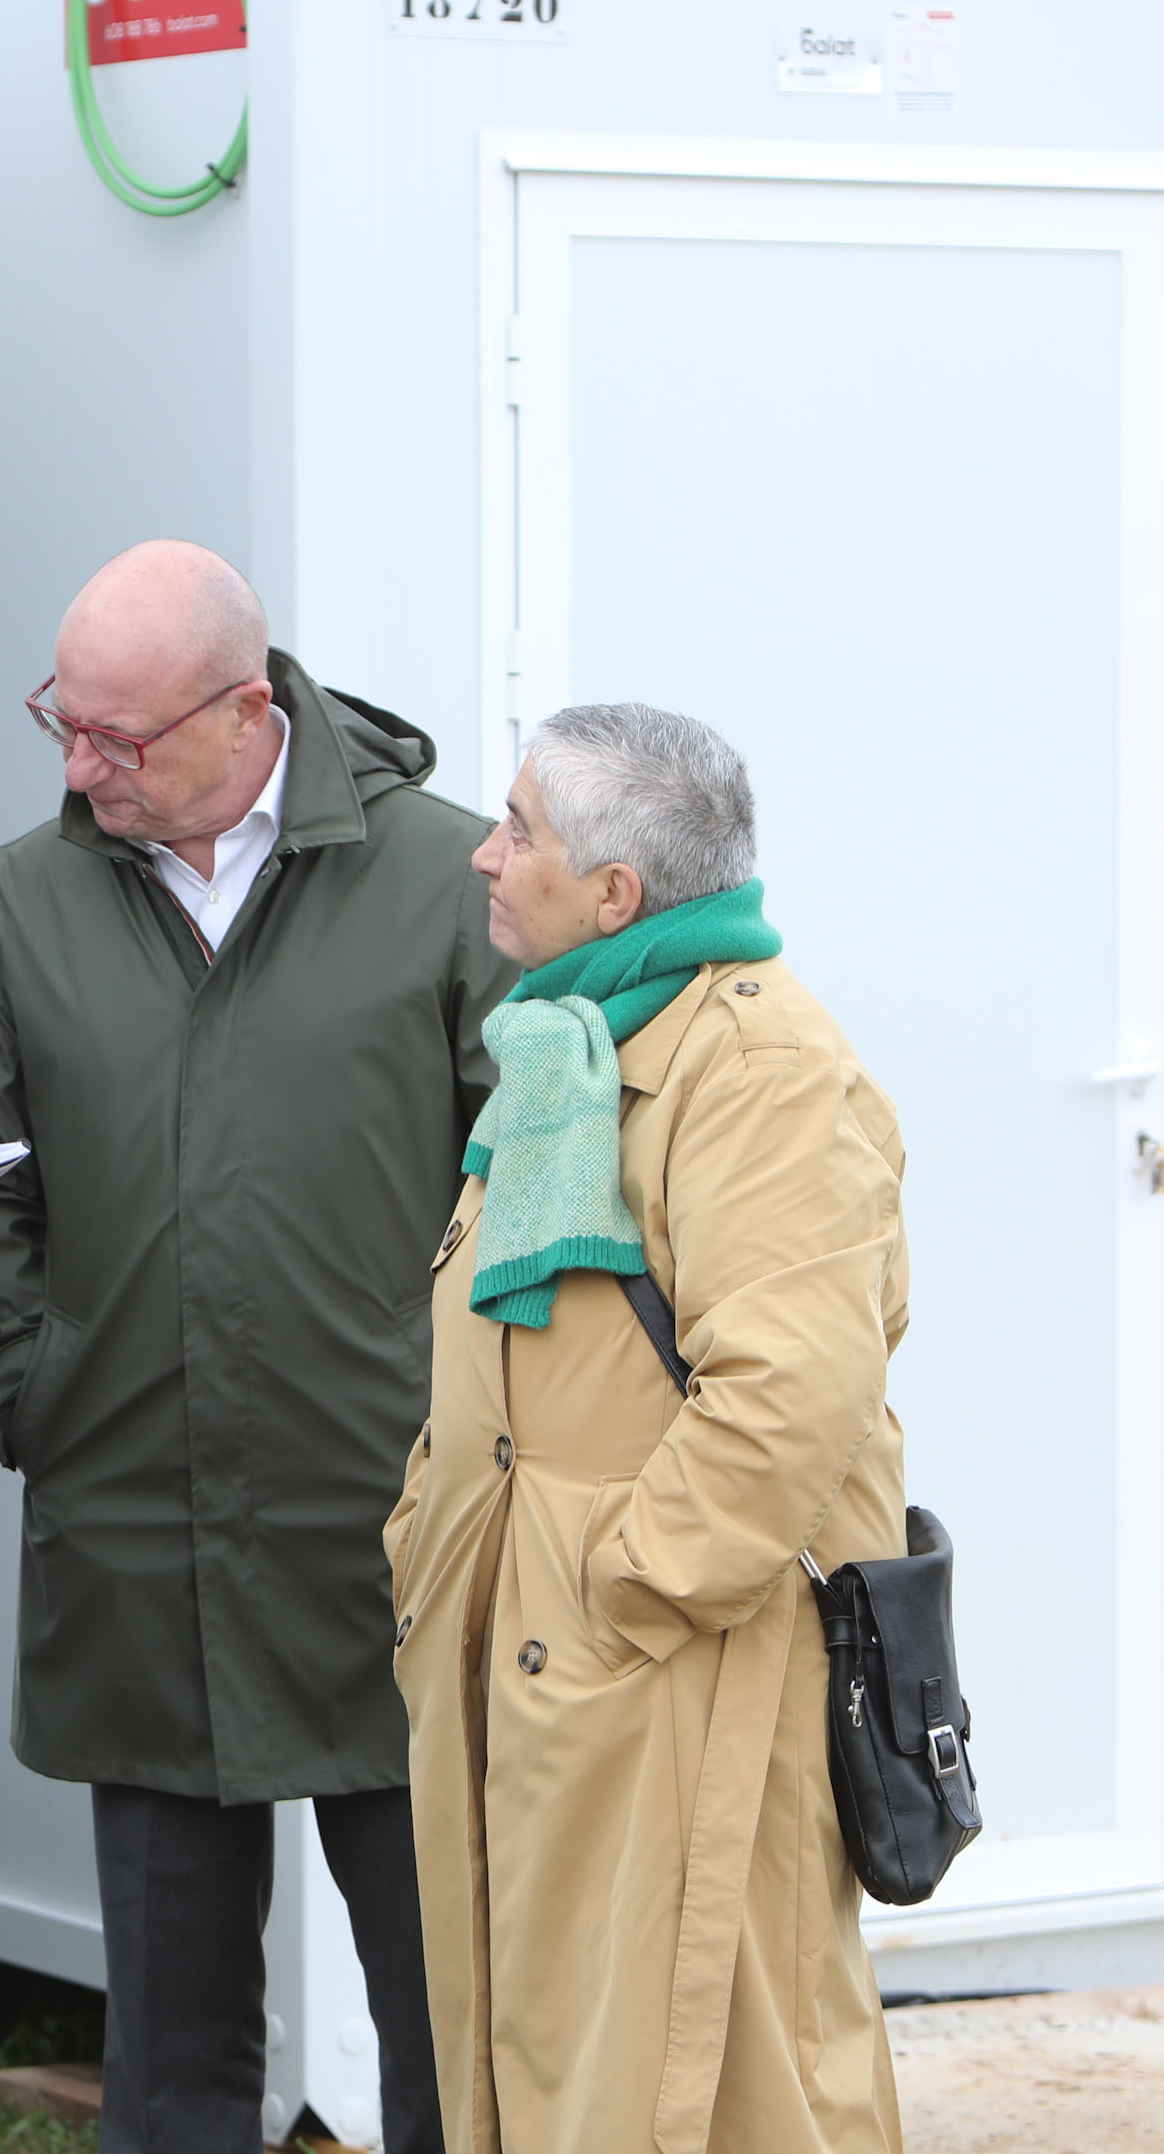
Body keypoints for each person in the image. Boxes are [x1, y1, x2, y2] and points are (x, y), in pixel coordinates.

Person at [0, 541, 510, 2154]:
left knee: (453, 2025)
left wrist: (467, 1434)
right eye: (61, 723)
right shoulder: (28, 897)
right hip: (134, 1522)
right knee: (170, 2055)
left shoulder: (444, 882)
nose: (77, 768)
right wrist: (30, 1388)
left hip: (392, 1533)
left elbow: (529, 1192)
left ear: (250, 712)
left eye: (116, 736)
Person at [387, 703, 907, 2154]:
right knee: (558, 2061)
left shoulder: (758, 1068)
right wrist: (437, 1536)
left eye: (520, 832)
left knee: (713, 2083)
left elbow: (790, 1396)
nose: (484, 856)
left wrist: (624, 1588)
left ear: (615, 894)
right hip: (561, 1660)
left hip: (678, 1663)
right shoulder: (578, 1041)